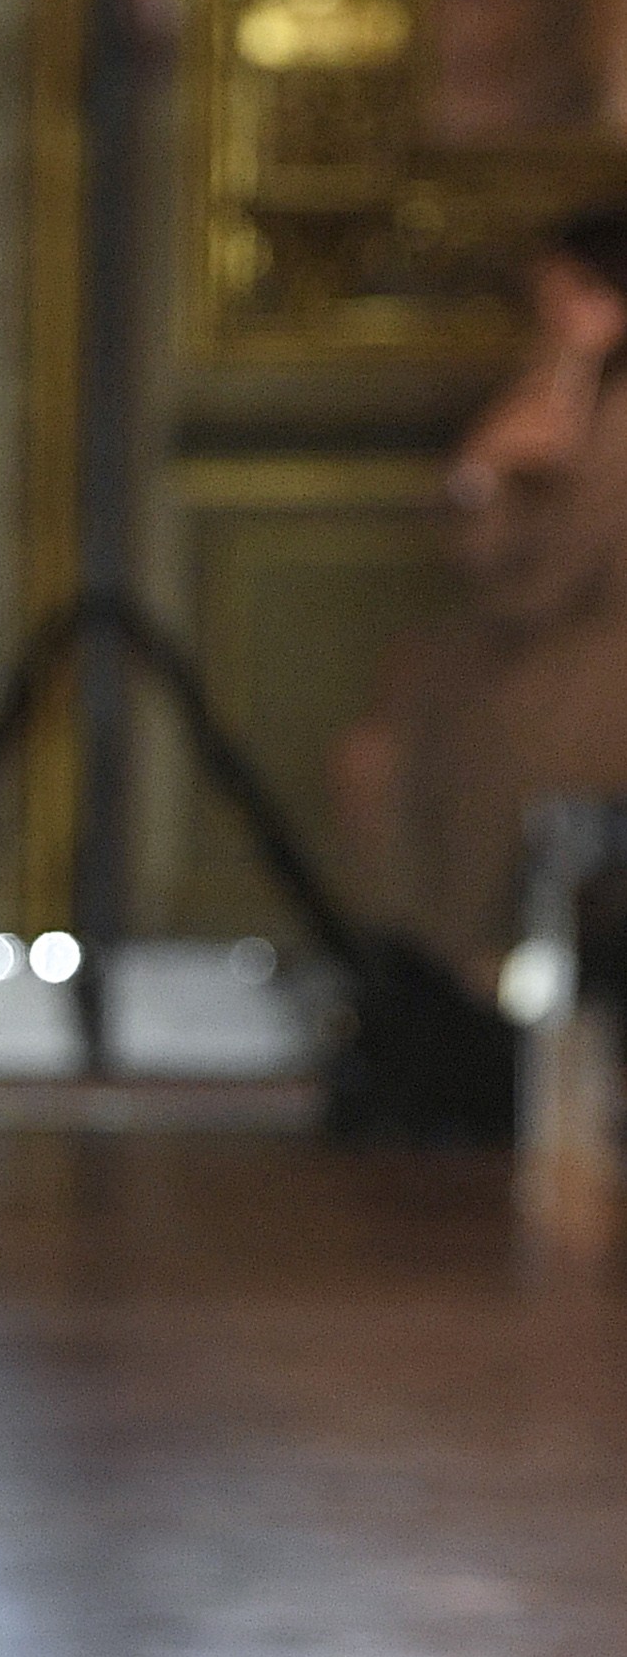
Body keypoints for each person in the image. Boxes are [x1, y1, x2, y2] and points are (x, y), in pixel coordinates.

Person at [329, 209, 627, 1139]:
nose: (552, 318)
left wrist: (490, 471)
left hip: (589, 670)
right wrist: (488, 475)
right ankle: (452, 974)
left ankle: (470, 978)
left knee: (466, 748)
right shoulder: (566, 395)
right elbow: (493, 567)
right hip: (547, 657)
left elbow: (542, 579)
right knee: (392, 744)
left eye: (571, 297)